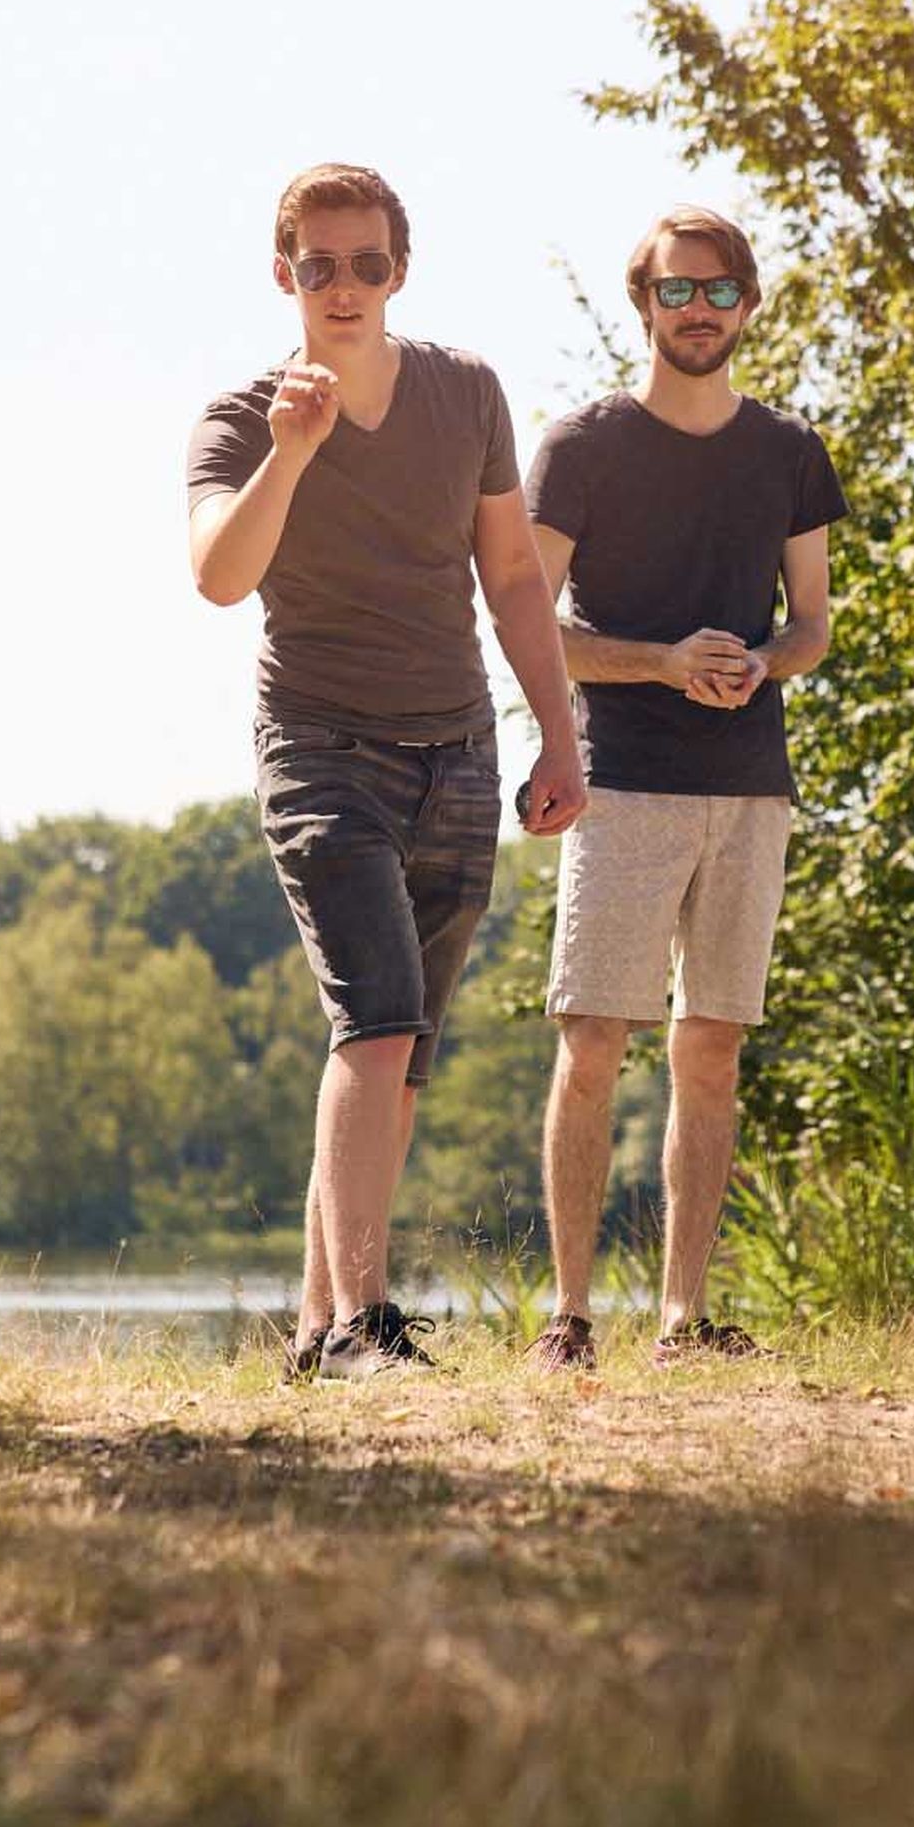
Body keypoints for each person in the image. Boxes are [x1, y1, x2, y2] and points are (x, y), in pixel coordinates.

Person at [187, 163, 586, 1378]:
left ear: (397, 272)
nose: (344, 286)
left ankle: (318, 1332)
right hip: (319, 750)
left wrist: (559, 739)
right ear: (285, 275)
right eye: (320, 265)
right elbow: (219, 573)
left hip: (458, 748)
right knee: (375, 1021)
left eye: (367, 264)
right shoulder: (240, 417)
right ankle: (365, 1319)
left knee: (400, 1059)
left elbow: (514, 579)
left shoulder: (465, 393)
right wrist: (292, 453)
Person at [524, 207, 844, 1370]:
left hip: (751, 790)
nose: (697, 311)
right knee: (594, 1040)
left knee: (711, 1050)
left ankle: (681, 1321)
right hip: (623, 786)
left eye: (717, 292)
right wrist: (658, 660)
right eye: (676, 292)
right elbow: (533, 627)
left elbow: (810, 624)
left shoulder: (789, 452)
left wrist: (764, 661)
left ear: (748, 305)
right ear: (644, 303)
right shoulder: (581, 447)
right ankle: (568, 1318)